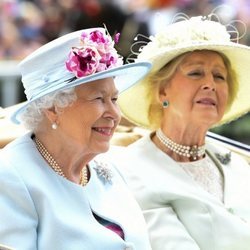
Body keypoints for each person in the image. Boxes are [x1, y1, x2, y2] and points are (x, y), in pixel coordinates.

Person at [106, 14, 250, 249]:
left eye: (219, 76)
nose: (210, 84)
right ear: (162, 91)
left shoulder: (237, 163)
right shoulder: (130, 169)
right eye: (195, 73)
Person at [0, 27, 152, 250]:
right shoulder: (9, 177)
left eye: (114, 98)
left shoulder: (107, 168)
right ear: (53, 108)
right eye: (99, 98)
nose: (115, 114)